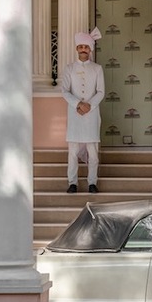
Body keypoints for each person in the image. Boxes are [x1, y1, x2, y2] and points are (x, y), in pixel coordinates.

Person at [59, 28, 105, 193]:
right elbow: (64, 90)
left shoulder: (97, 68)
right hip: (75, 114)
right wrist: (78, 104)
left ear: (90, 49)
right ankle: (73, 182)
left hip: (91, 115)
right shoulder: (69, 68)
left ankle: (92, 182)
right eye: (81, 47)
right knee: (73, 151)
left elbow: (101, 91)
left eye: (86, 46)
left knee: (93, 152)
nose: (83, 49)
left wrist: (89, 106)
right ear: (77, 48)